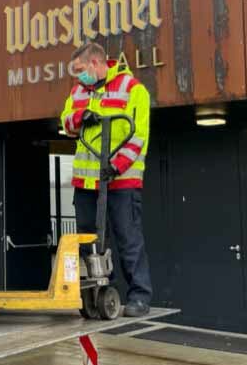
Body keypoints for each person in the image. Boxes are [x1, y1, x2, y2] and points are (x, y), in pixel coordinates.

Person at [60, 42, 152, 317]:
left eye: (80, 71)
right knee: (88, 240)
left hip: (120, 181)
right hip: (87, 184)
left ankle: (139, 296)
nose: (77, 77)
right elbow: (65, 121)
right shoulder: (78, 91)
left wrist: (116, 165)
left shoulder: (133, 89)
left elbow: (138, 135)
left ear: (96, 63)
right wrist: (79, 116)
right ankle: (97, 293)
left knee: (128, 238)